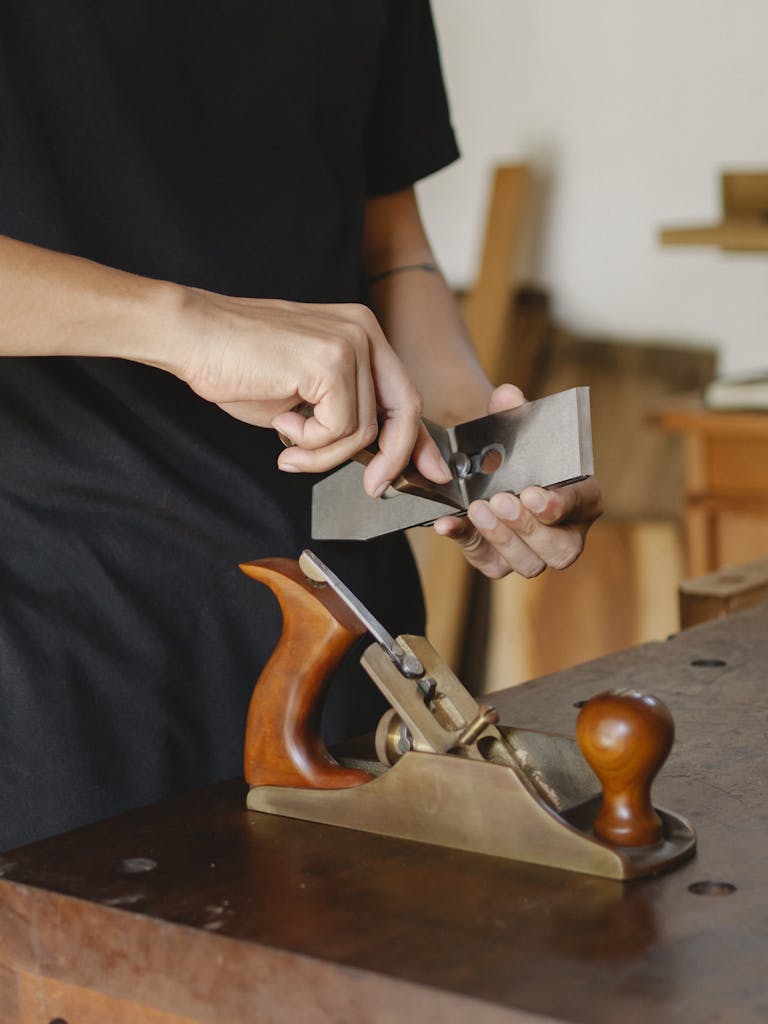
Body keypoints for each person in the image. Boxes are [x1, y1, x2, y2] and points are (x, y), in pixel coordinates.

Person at [0, 2, 602, 851]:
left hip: (343, 615)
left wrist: (474, 447)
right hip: (56, 645)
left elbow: (390, 244)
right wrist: (185, 324)